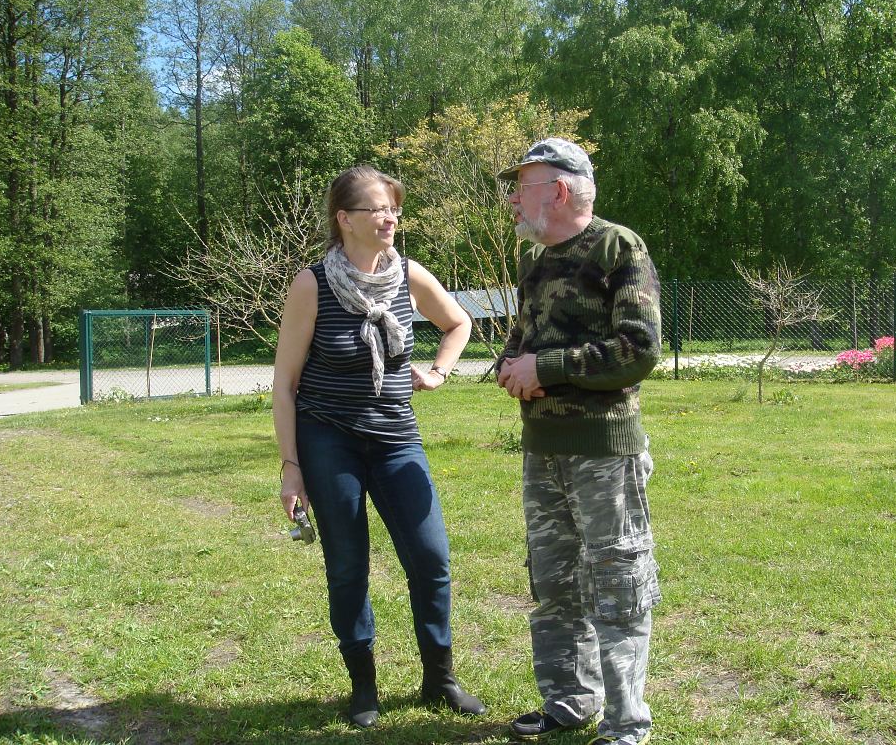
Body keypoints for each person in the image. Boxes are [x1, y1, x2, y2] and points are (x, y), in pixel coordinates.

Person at [273, 165, 486, 728]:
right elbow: (285, 384)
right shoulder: (312, 285)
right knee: (348, 566)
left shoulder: (407, 275)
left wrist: (438, 371)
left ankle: (439, 678)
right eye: (377, 209)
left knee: (431, 558)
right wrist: (292, 468)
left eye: (394, 208)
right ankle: (363, 684)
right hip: (328, 440)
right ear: (345, 219)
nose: (390, 218)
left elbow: (458, 323)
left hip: (396, 437)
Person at [496, 139, 662, 745]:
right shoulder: (535, 261)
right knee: (554, 581)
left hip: (603, 452)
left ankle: (626, 723)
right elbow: (522, 338)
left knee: (617, 581)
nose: (514, 200)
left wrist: (545, 367)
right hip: (543, 448)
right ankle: (569, 702)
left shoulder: (618, 248)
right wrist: (510, 366)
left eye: (523, 187)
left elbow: (638, 349)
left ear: (560, 190)